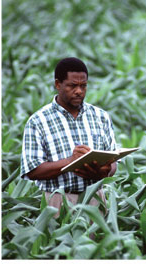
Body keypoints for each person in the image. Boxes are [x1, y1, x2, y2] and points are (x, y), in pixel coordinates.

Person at [20, 57, 117, 210]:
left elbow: (112, 162)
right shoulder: (38, 121)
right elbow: (32, 170)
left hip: (95, 198)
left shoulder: (100, 116)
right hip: (57, 201)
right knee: (59, 234)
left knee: (98, 235)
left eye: (83, 86)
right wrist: (71, 161)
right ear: (58, 84)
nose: (79, 91)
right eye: (72, 86)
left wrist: (103, 171)